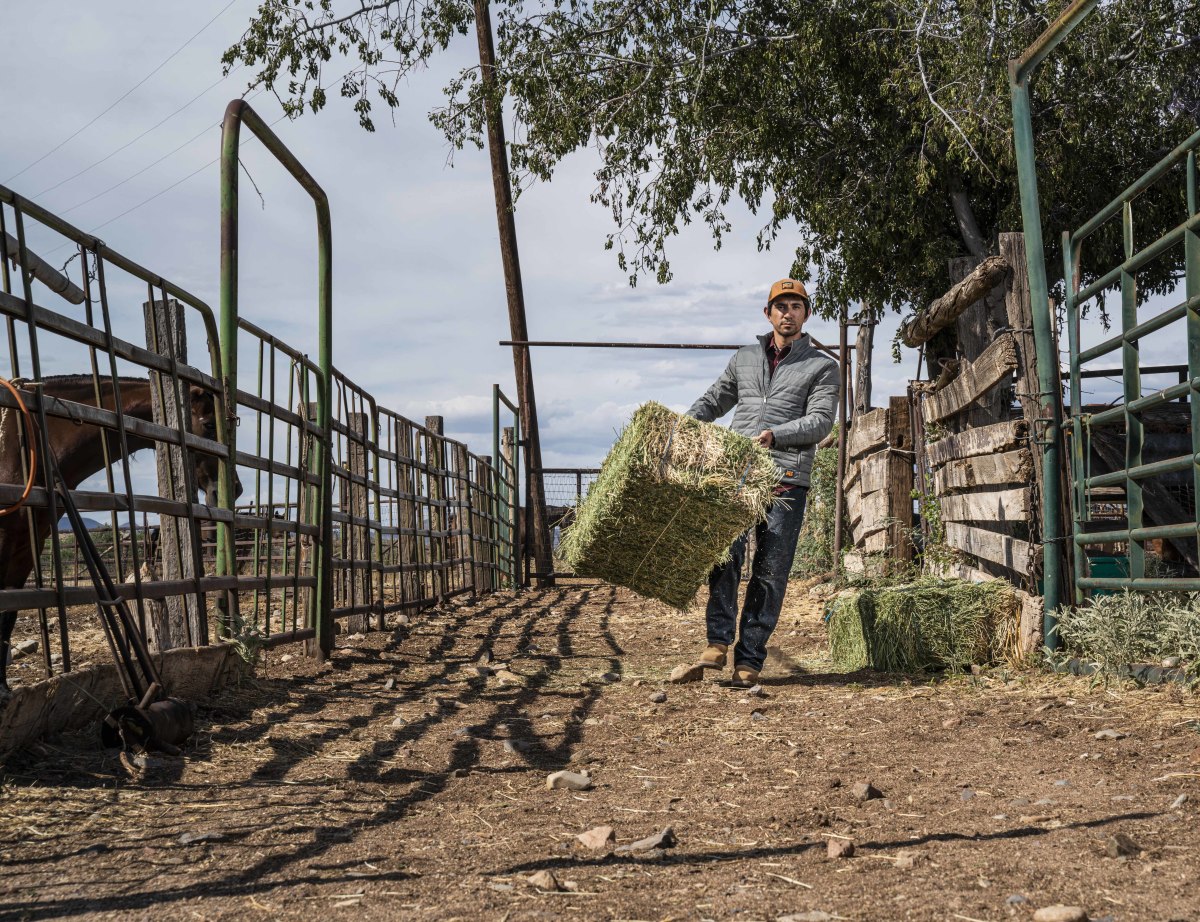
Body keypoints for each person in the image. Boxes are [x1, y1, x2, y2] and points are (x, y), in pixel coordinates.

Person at [683, 278, 840, 688]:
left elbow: (821, 421)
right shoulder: (746, 358)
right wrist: (681, 427)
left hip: (787, 478)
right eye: (781, 306)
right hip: (739, 474)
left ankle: (749, 658)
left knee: (771, 571)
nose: (788, 313)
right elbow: (714, 399)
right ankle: (717, 642)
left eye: (796, 306)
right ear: (768, 313)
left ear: (806, 314)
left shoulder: (823, 367)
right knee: (725, 555)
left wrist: (777, 435)